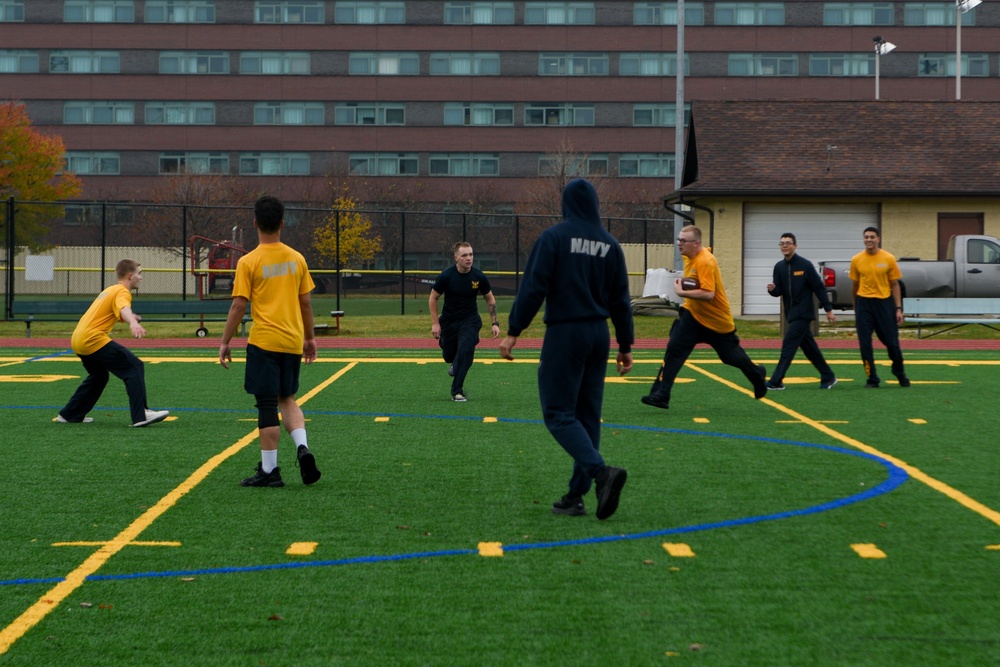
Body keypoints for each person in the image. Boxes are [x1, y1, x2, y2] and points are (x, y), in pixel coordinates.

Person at [499, 178, 633, 521]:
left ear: (566, 204)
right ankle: (576, 495)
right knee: (587, 416)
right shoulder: (611, 245)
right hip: (598, 334)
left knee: (558, 413)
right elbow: (621, 301)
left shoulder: (555, 237)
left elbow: (533, 286)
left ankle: (601, 473)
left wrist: (514, 330)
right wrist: (626, 345)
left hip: (566, 332)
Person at [219, 195, 321, 488]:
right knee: (287, 398)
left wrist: (225, 341)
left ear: (255, 223)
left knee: (266, 403)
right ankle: (302, 447)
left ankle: (269, 470)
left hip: (264, 342)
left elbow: (239, 306)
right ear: (282, 223)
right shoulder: (296, 258)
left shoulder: (249, 261)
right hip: (291, 340)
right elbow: (306, 304)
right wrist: (310, 338)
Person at [642, 225, 767, 409]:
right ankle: (661, 394)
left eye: (683, 241)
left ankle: (756, 373)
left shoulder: (705, 261)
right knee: (674, 349)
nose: (679, 243)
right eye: (678, 239)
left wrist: (681, 292)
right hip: (692, 316)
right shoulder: (689, 257)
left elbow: (709, 294)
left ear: (696, 243)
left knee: (731, 357)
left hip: (716, 321)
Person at [57, 260, 170, 427]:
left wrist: (132, 317)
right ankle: (141, 415)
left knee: (99, 376)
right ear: (130, 276)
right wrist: (132, 322)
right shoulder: (123, 292)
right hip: (92, 339)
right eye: (139, 273)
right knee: (134, 366)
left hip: (78, 339)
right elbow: (124, 307)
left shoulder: (110, 289)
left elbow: (117, 311)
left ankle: (70, 414)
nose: (141, 277)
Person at [765, 233, 838, 390]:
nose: (784, 245)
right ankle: (828, 376)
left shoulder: (805, 265)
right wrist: (772, 290)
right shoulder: (779, 267)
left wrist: (828, 309)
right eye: (782, 243)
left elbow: (819, 287)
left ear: (795, 246)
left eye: (788, 243)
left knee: (788, 344)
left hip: (803, 314)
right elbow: (779, 291)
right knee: (810, 349)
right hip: (791, 314)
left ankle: (776, 380)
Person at [429, 241, 500, 402]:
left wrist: (495, 323)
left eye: (471, 254)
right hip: (449, 321)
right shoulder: (446, 276)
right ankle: (454, 361)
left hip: (470, 320)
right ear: (456, 258)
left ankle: (457, 390)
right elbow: (433, 297)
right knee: (449, 356)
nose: (469, 258)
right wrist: (435, 322)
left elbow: (489, 298)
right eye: (464, 255)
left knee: (466, 351)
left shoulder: (478, 277)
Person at [850, 226, 910, 388]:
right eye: (866, 237)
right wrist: (857, 308)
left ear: (878, 239)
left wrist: (898, 308)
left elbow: (895, 284)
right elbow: (855, 285)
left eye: (872, 237)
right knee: (865, 344)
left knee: (892, 342)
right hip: (864, 303)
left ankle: (899, 372)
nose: (869, 240)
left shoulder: (888, 258)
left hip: (884, 303)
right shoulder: (856, 260)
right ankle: (872, 378)